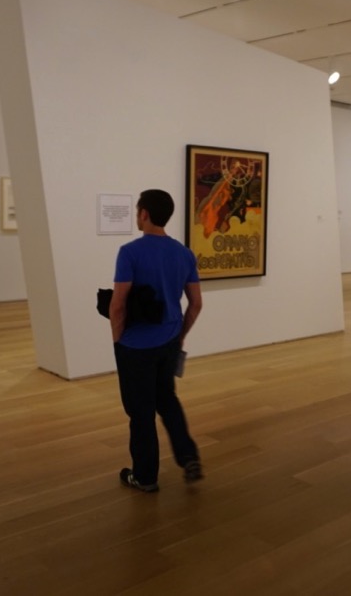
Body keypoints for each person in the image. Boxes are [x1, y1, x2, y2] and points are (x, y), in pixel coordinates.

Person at [110, 189, 203, 492]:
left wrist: (117, 341)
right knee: (167, 400)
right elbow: (196, 304)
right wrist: (180, 336)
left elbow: (118, 304)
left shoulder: (130, 252)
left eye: (138, 211)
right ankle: (189, 456)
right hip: (169, 341)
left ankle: (145, 476)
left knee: (141, 413)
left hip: (136, 346)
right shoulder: (184, 254)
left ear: (144, 214)